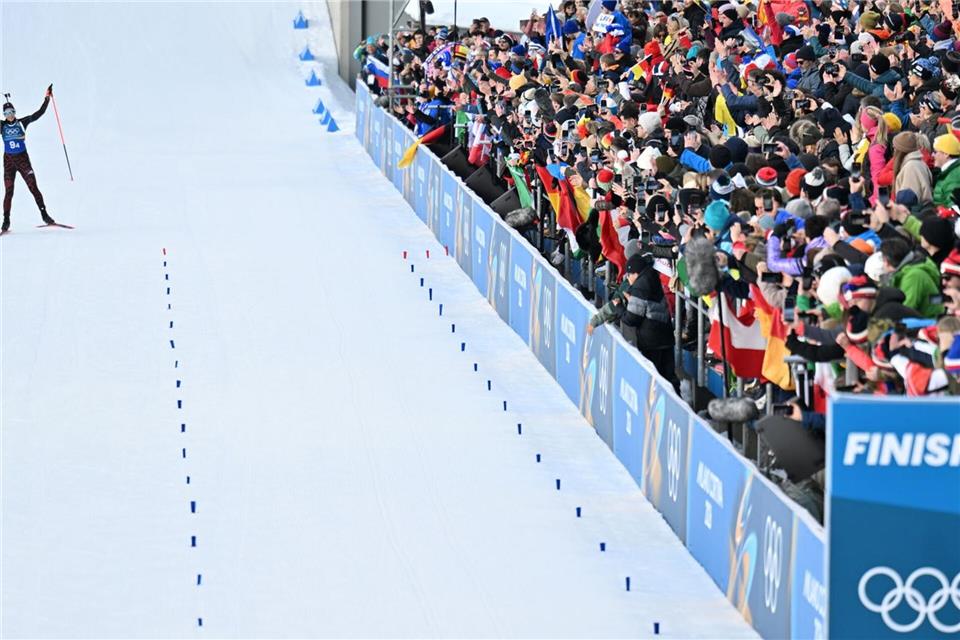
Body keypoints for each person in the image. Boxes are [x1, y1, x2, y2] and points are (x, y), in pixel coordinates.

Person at [2, 84, 57, 232]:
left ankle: (45, 215)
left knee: (33, 187)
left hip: (22, 160)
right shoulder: (1, 126)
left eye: (11, 112)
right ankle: (5, 221)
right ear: (3, 114)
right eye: (6, 113)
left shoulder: (22, 122)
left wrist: (47, 98)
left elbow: (39, 113)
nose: (9, 115)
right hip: (8, 161)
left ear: (14, 112)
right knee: (9, 191)